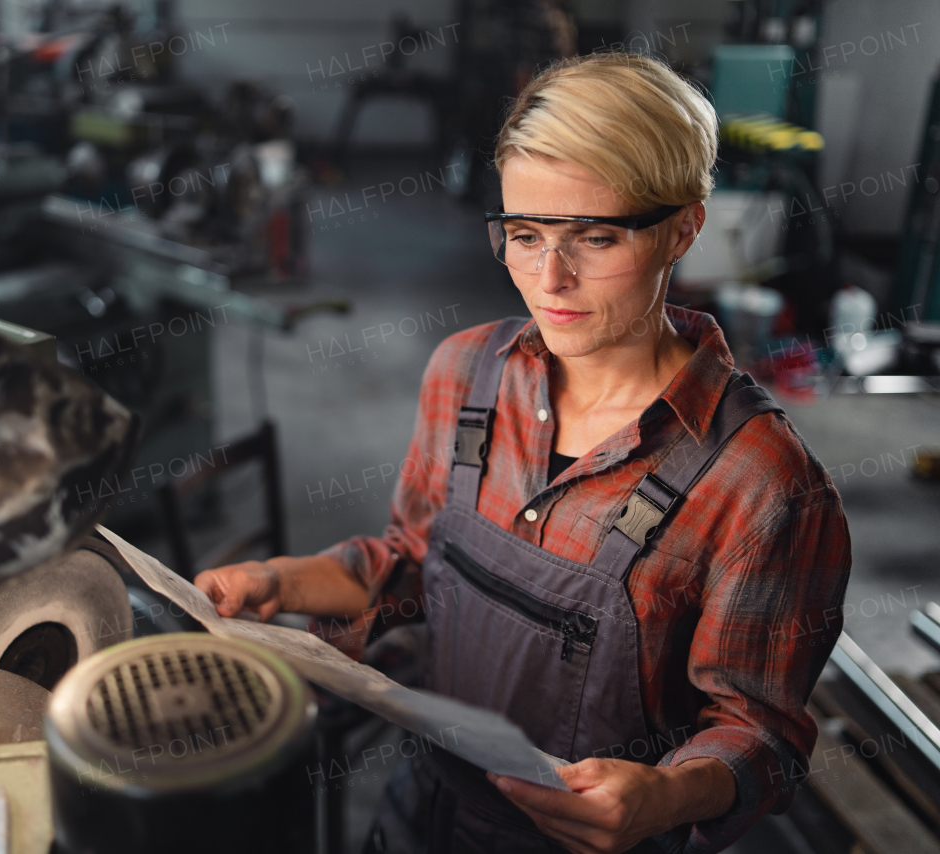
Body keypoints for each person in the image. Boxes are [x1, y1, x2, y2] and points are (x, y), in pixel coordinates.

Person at [194, 52, 851, 854]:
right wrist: (280, 582)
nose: (551, 279)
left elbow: (761, 731)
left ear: (686, 225)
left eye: (597, 237)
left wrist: (670, 793)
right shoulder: (465, 373)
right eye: (525, 233)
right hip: (422, 807)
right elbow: (416, 559)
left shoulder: (762, 485)